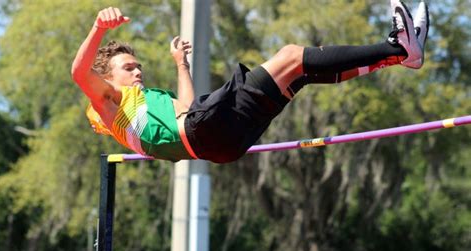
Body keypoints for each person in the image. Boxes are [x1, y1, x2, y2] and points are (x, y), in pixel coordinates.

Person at [71, 1, 429, 163]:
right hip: (204, 133)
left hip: (218, 145)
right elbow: (77, 72)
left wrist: (182, 66)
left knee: (297, 75)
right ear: (106, 77)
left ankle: (398, 57)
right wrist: (98, 28)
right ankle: (396, 45)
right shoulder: (108, 101)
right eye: (129, 67)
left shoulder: (143, 107)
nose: (138, 72)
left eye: (138, 67)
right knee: (290, 55)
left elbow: (186, 110)